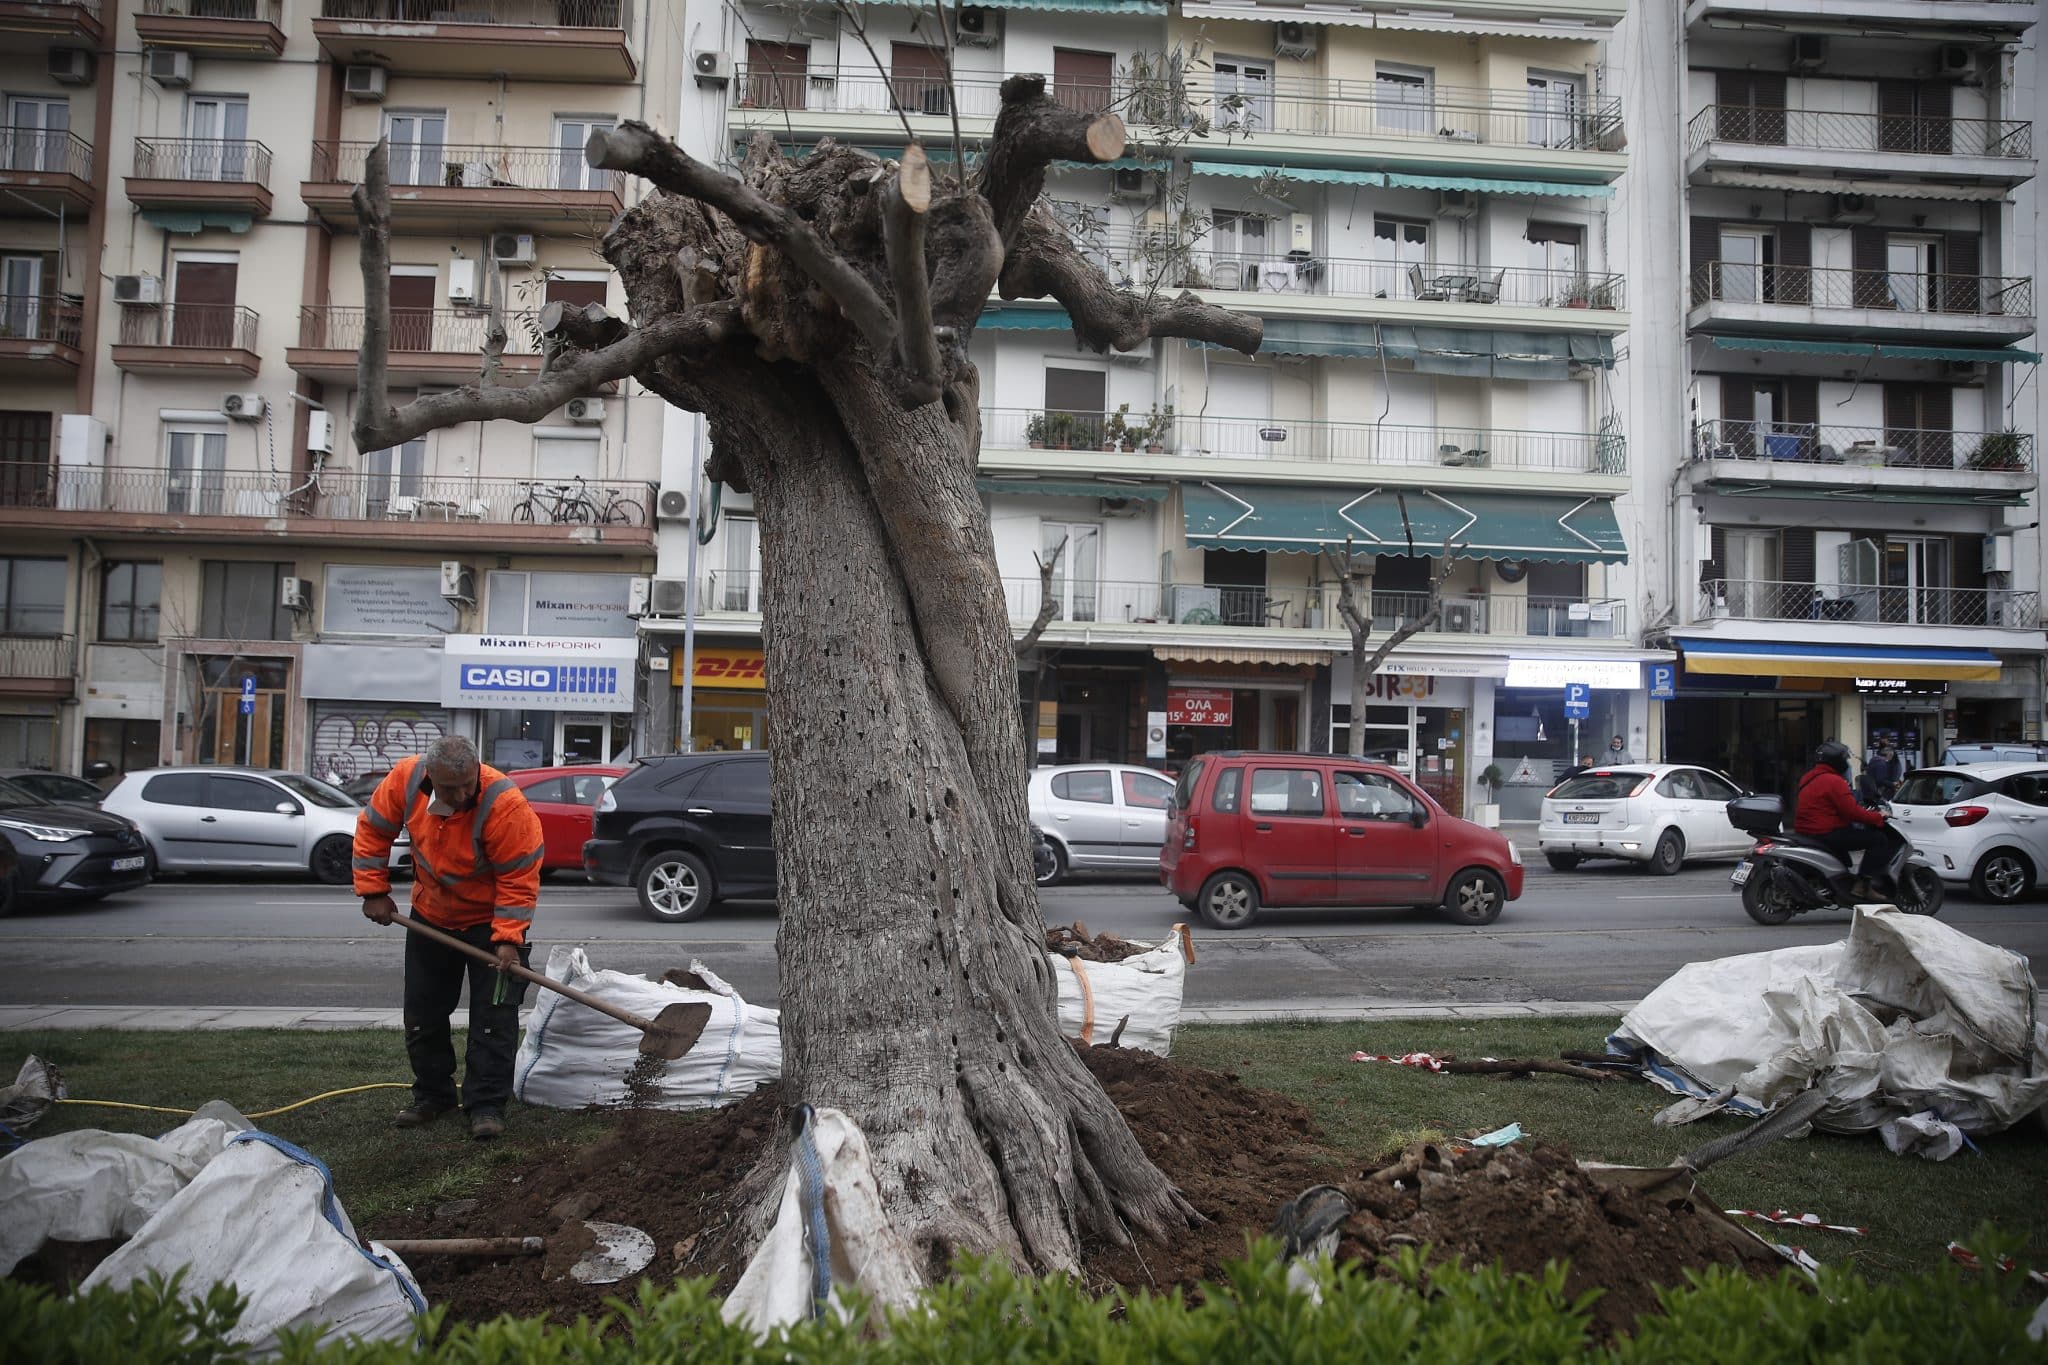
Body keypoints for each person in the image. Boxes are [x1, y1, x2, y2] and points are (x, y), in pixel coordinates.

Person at [354, 735, 545, 1141]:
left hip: (490, 924)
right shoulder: (405, 781)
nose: (459, 795)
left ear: (477, 769)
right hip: (431, 916)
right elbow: (372, 830)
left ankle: (486, 1104)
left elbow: (518, 876)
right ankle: (433, 1096)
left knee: (494, 1018)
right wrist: (373, 890)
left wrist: (508, 939)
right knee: (423, 1013)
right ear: (429, 777)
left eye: (466, 784)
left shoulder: (506, 805)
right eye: (448, 788)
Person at [1791, 740, 1888, 896]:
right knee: (1879, 839)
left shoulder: (1808, 777)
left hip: (1806, 831)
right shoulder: (1834, 781)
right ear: (1836, 761)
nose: (1847, 763)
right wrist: (1877, 817)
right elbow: (1852, 812)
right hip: (1825, 832)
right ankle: (1863, 884)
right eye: (1845, 759)